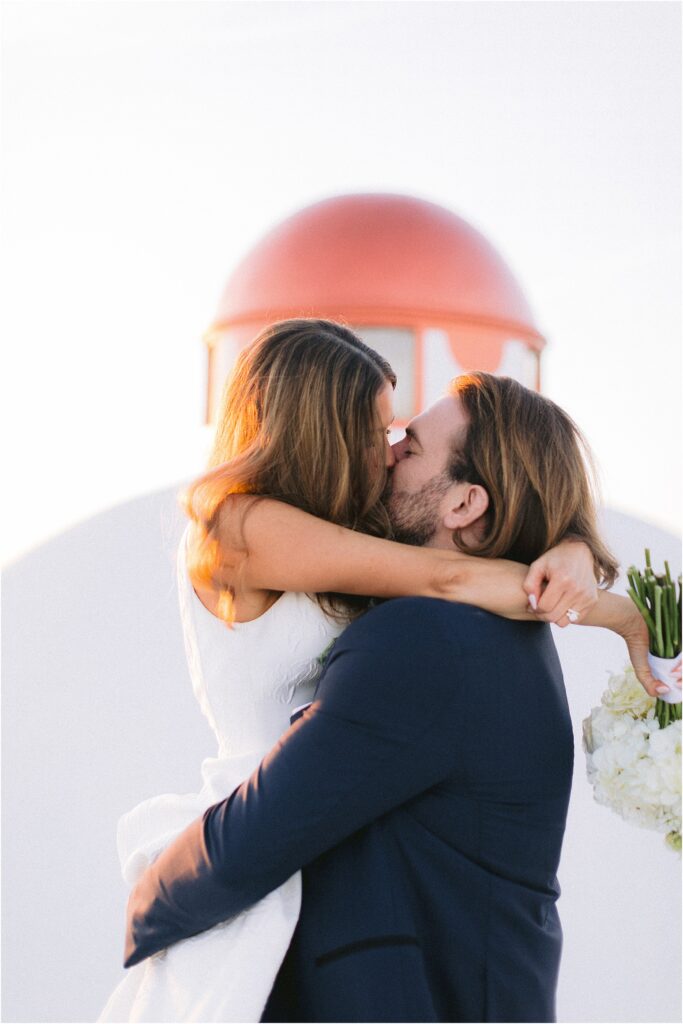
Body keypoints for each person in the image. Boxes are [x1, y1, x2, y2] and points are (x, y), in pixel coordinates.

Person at [113, 323, 655, 1023]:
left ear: (463, 502)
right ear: (322, 428)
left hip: (285, 833)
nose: (391, 445)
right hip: (248, 825)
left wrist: (574, 551)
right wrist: (611, 610)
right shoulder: (239, 526)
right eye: (380, 431)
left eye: (405, 439)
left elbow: (457, 563)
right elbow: (449, 571)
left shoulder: (416, 611)